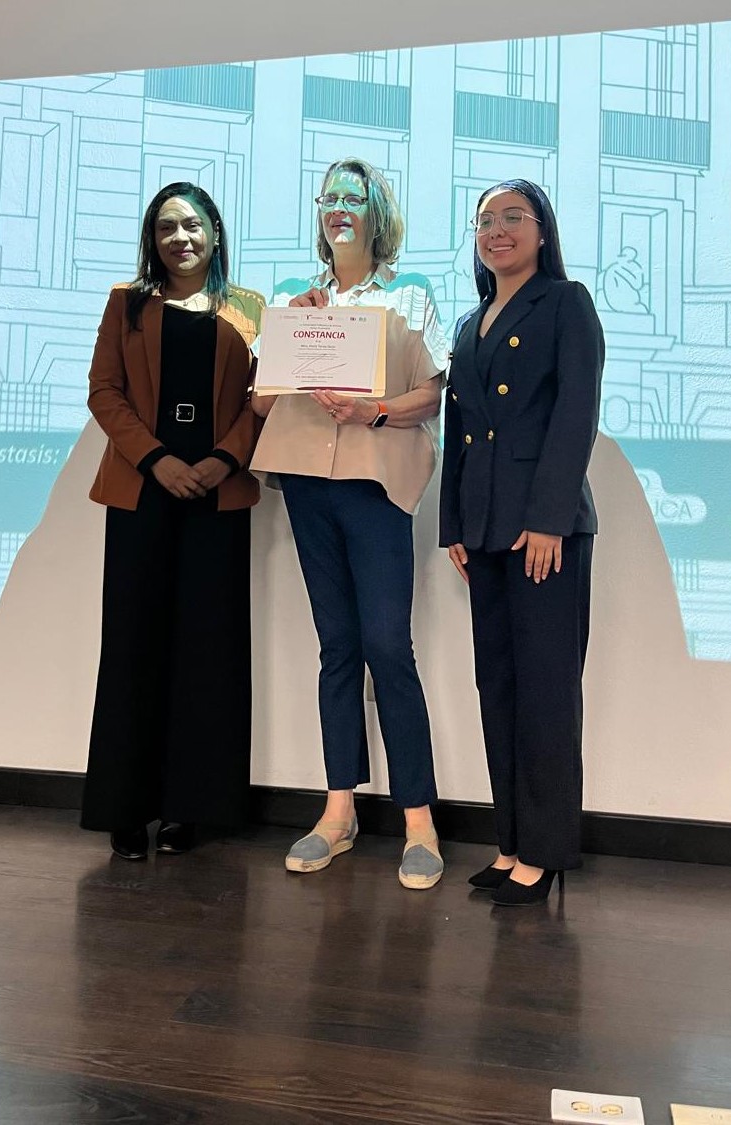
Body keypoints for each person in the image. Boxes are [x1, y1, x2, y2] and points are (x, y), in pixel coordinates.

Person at [250, 158, 448, 889]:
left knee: (388, 648)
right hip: (308, 485)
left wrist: (377, 411)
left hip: (375, 486)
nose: (339, 208)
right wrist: (290, 336)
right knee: (337, 647)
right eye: (328, 196)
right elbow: (262, 403)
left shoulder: (410, 293)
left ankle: (419, 820)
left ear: (376, 213)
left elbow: (432, 394)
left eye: (353, 198)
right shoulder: (291, 298)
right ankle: (339, 812)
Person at [80, 182, 264, 860]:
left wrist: (222, 460)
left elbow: (262, 400)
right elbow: (105, 391)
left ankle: (193, 809)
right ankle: (125, 808)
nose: (179, 238)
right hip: (142, 493)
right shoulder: (125, 303)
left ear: (214, 230)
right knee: (132, 649)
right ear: (151, 240)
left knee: (208, 655)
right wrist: (157, 459)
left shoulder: (250, 308)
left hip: (218, 496)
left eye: (190, 224)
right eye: (165, 228)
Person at [439, 179, 604, 906]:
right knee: (499, 686)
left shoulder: (565, 303)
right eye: (485, 220)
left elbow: (575, 414)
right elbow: (459, 432)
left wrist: (549, 518)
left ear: (542, 231)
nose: (496, 231)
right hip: (484, 529)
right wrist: (454, 525)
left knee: (545, 692)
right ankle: (509, 843)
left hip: (544, 530)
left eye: (513, 217)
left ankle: (544, 851)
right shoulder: (471, 321)